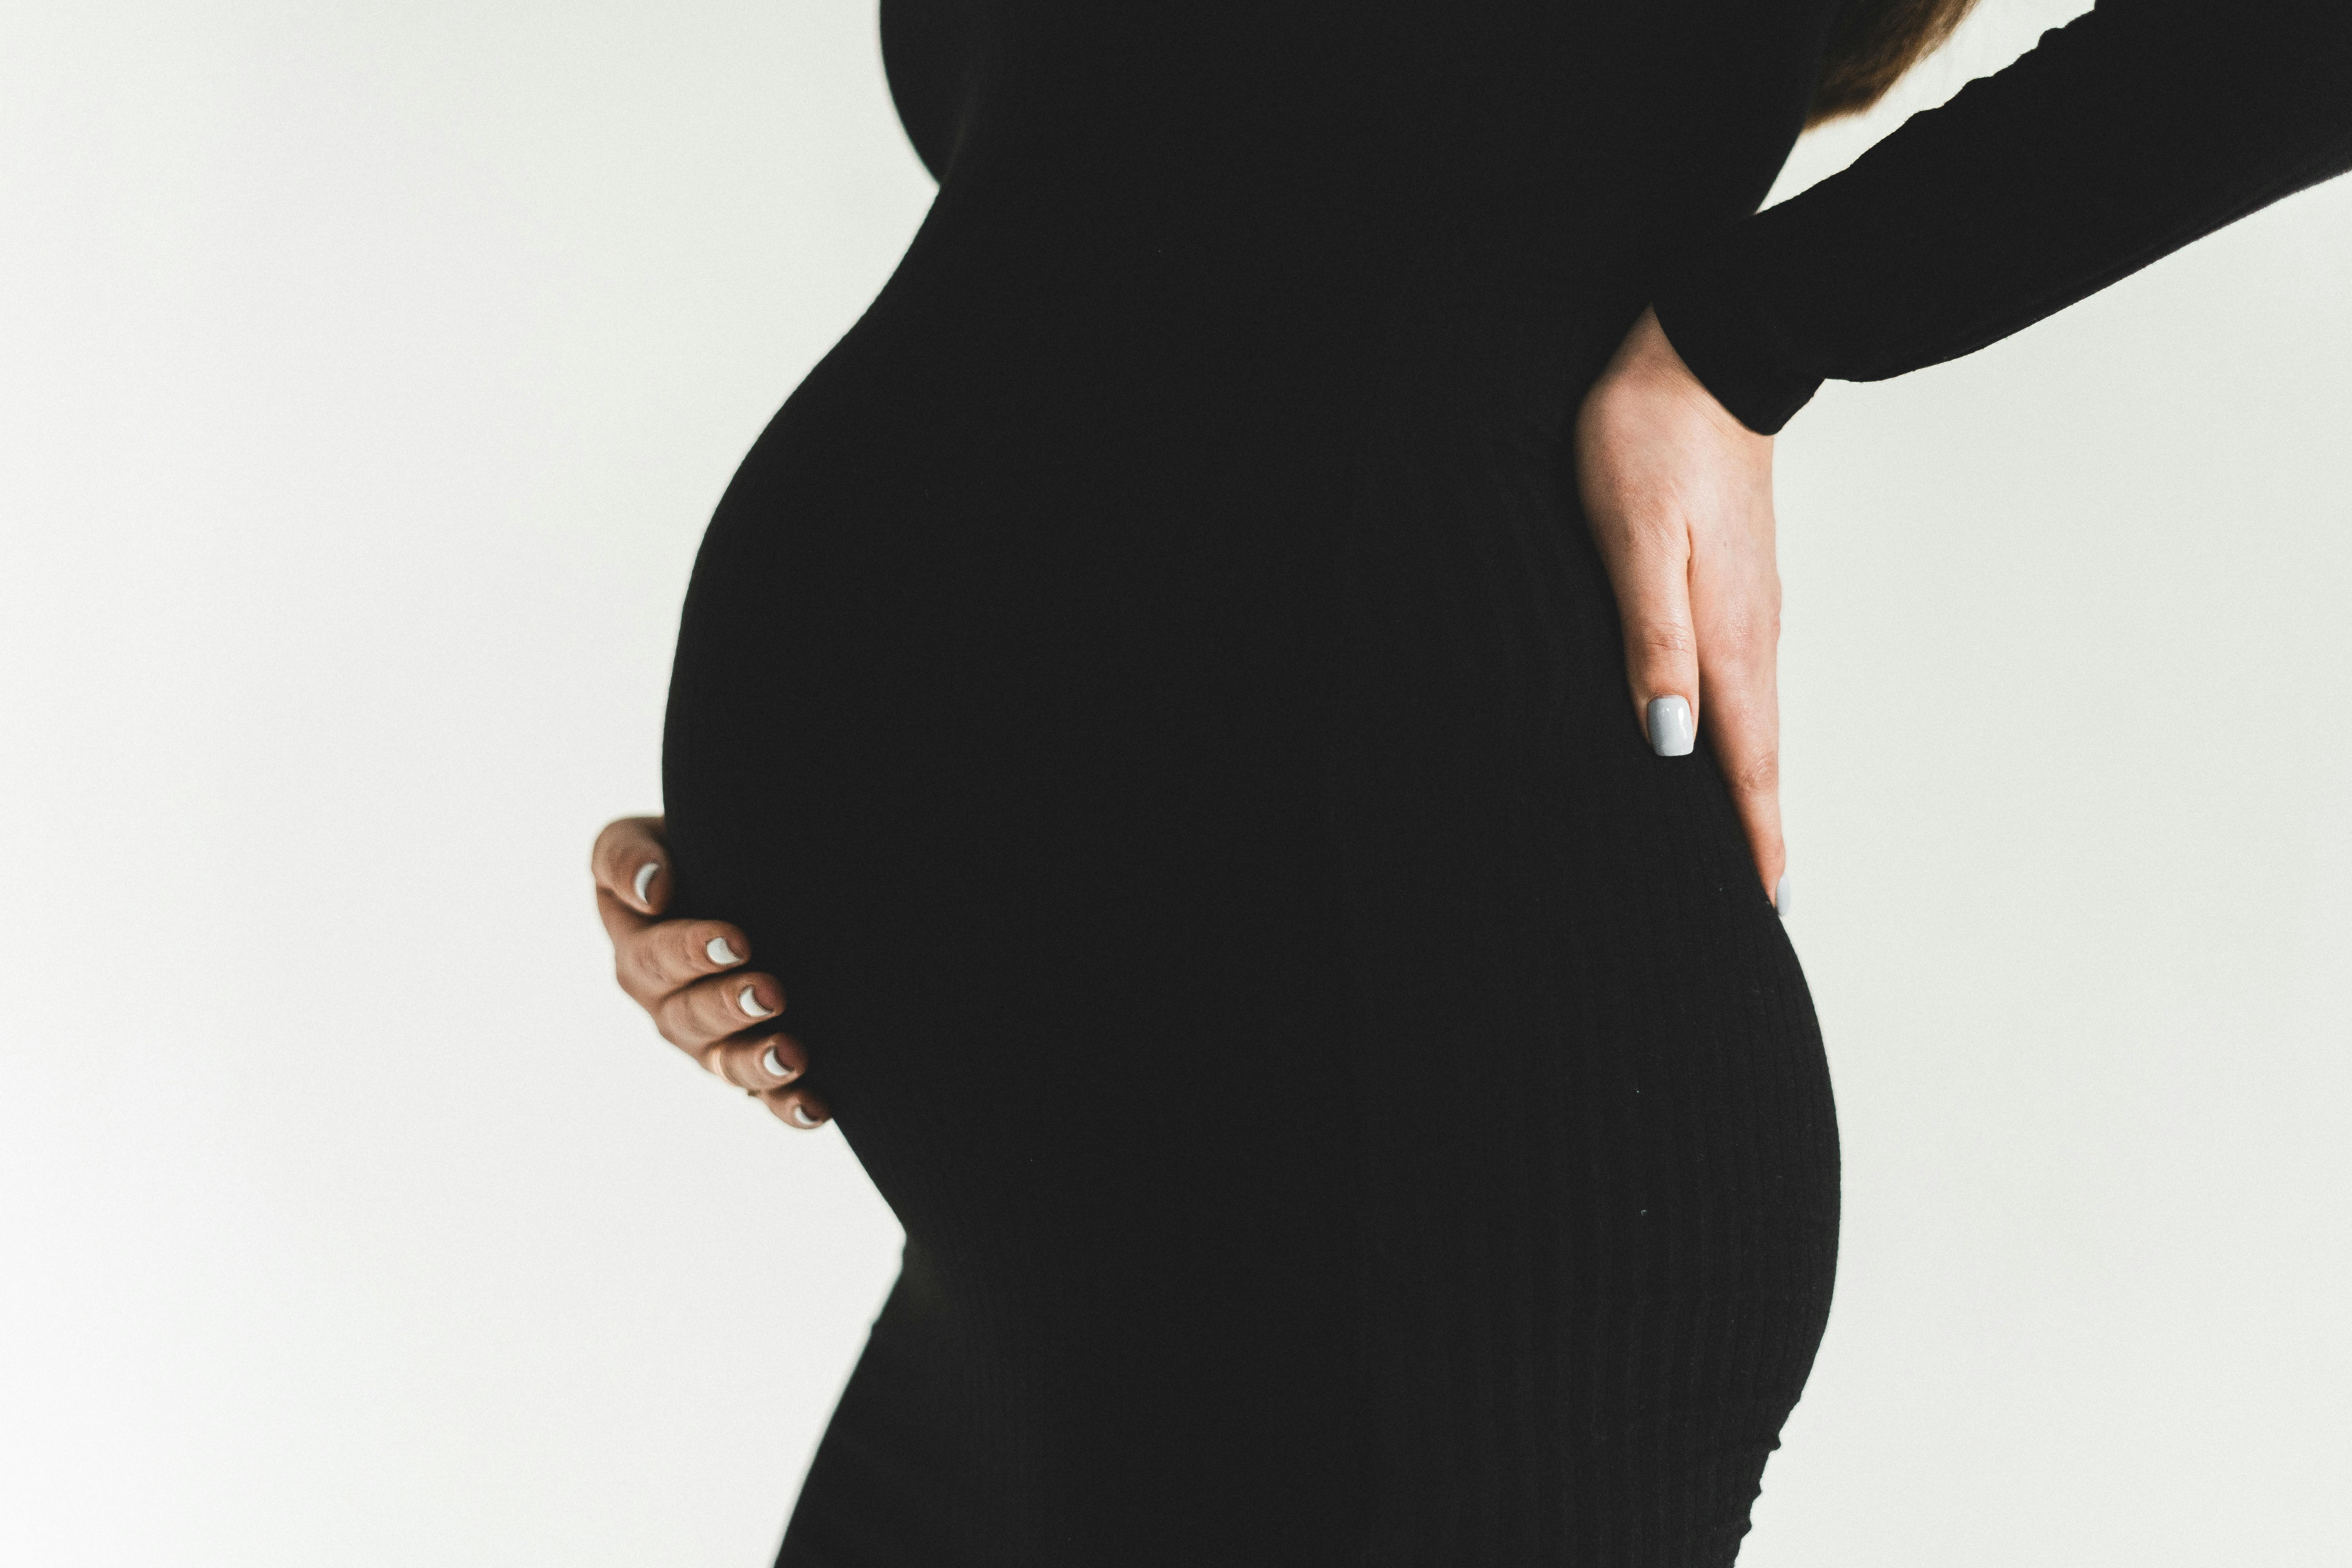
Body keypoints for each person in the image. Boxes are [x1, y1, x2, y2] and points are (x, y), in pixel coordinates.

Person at [589, 1, 2352, 1561]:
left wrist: (1752, 337)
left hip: (1414, 1155)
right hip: (1067, 1218)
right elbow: (1130, 299)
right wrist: (842, 872)